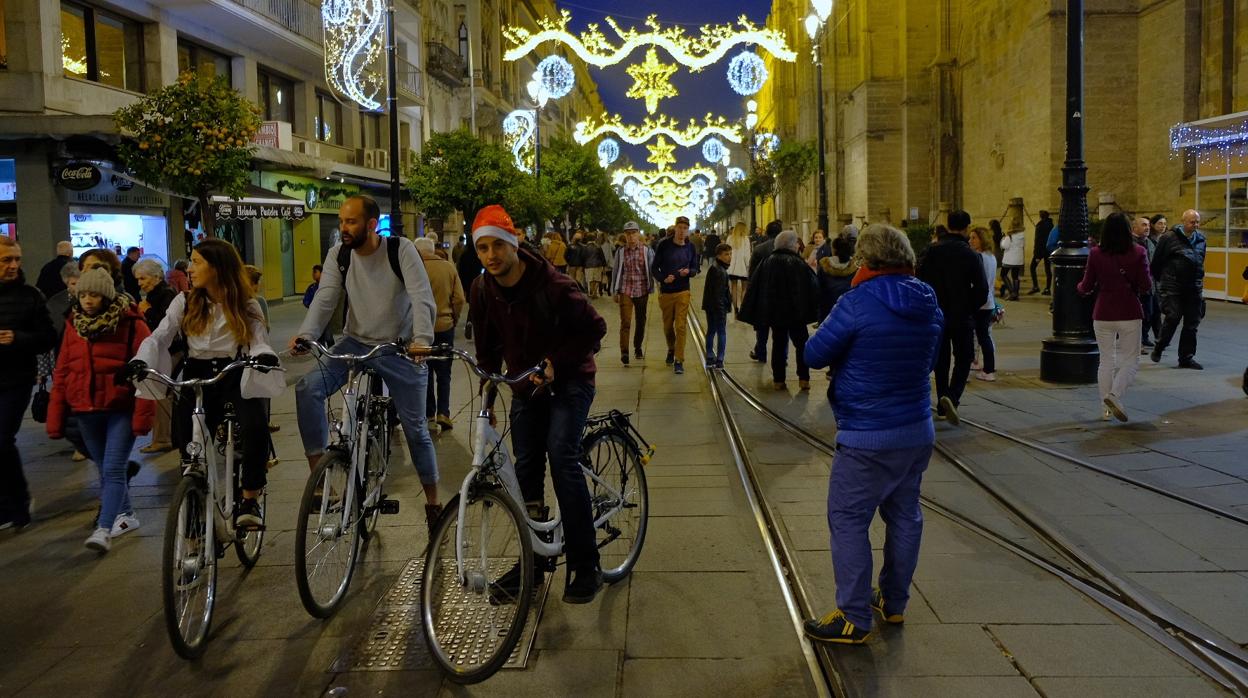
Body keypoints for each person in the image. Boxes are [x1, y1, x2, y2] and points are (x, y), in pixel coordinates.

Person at [801, 224, 943, 645]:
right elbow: (931, 361)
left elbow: (813, 354)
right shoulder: (928, 302)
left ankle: (853, 616)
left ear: (865, 261)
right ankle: (894, 602)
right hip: (916, 429)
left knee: (847, 519)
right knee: (905, 515)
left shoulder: (856, 302)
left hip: (867, 434)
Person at [461, 204, 608, 604]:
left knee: (561, 456)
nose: (491, 256)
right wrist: (487, 392)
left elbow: (595, 329)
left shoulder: (554, 285)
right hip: (526, 387)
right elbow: (489, 348)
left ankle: (586, 563)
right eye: (482, 249)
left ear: (514, 243)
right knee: (525, 468)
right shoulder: (481, 289)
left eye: (497, 246)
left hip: (572, 379)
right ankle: (534, 562)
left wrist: (555, 364)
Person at [291, 195, 441, 531]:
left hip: (400, 348)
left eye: (351, 222)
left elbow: (421, 297)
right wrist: (307, 334)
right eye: (342, 221)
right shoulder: (339, 254)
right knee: (308, 388)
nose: (344, 228)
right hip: (355, 342)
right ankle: (320, 476)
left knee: (417, 430)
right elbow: (326, 295)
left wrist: (422, 341)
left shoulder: (400, 250)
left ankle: (433, 502)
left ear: (371, 225)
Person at [133, 239, 280, 529]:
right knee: (189, 444)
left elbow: (258, 339)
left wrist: (263, 357)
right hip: (196, 375)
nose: (190, 268)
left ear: (218, 267)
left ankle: (250, 497)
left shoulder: (245, 302)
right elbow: (161, 335)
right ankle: (193, 503)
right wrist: (141, 359)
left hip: (235, 372)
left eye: (197, 261)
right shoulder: (184, 301)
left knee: (255, 427)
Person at [48, 268, 153, 552]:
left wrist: (144, 415)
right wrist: (55, 414)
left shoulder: (131, 322)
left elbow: (147, 369)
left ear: (106, 295)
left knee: (114, 468)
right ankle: (128, 515)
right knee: (104, 469)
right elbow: (63, 370)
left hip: (120, 408)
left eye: (94, 294)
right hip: (84, 409)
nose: (88, 300)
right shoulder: (74, 324)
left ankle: (104, 529)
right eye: (83, 294)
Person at [0, 236, 58, 530]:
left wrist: (17, 338)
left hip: (16, 379)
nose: (13, 265)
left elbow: (48, 337)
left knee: (2, 439)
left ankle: (17, 505)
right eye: (6, 260)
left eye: (16, 259)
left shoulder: (30, 295)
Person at [1077, 212, 1151, 422]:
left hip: (1103, 313)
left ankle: (1105, 409)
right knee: (1131, 359)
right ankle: (1115, 395)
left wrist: (1079, 287)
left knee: (1106, 360)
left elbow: (1086, 286)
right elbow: (1146, 285)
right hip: (1129, 311)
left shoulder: (1096, 253)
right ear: (1128, 230)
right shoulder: (1138, 252)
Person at [916, 210, 987, 425]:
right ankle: (952, 397)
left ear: (947, 226)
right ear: (966, 228)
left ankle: (941, 399)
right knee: (964, 356)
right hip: (961, 314)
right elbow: (982, 289)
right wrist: (970, 308)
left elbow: (918, 279)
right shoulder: (971, 254)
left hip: (936, 312)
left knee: (942, 357)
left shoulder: (931, 251)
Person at [740, 231, 819, 390]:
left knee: (778, 344)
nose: (798, 245)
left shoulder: (767, 262)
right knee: (802, 344)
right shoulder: (798, 263)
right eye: (796, 243)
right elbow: (813, 286)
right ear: (791, 245)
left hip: (776, 314)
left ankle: (779, 380)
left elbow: (756, 286)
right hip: (797, 313)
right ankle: (804, 379)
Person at [414, 237, 465, 433]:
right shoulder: (448, 268)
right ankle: (444, 413)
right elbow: (459, 298)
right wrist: (453, 316)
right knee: (444, 373)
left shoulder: (413, 269)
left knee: (424, 371)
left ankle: (428, 413)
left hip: (420, 330)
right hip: (445, 327)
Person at [1149, 210, 1206, 369]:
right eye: (1192, 222)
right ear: (1183, 221)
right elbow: (1156, 263)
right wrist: (1165, 281)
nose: (1195, 225)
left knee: (1192, 323)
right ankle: (1160, 346)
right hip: (1172, 284)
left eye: (1197, 222)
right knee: (1173, 316)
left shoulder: (1201, 238)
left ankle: (1186, 358)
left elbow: (1200, 260)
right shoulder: (1169, 237)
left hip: (1194, 286)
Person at [133, 258, 177, 454]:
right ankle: (165, 436)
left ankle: (162, 438)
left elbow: (166, 325)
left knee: (161, 393)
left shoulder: (165, 295)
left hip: (169, 350)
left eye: (143, 278)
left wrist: (147, 310)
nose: (140, 283)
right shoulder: (154, 294)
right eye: (138, 279)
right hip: (161, 349)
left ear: (156, 277)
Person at [651, 215, 701, 375]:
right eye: (680, 228)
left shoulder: (690, 247)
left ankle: (679, 360)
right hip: (666, 292)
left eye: (685, 228)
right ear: (675, 228)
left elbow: (695, 268)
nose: (682, 231)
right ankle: (671, 349)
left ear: (688, 230)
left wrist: (689, 272)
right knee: (667, 327)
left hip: (683, 291)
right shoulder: (664, 245)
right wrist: (663, 279)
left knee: (680, 326)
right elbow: (654, 268)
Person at [609, 221, 654, 366]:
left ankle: (638, 347)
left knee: (641, 321)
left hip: (642, 290)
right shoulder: (621, 252)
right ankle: (624, 352)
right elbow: (616, 271)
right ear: (625, 235)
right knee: (626, 322)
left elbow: (652, 270)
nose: (631, 236)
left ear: (638, 234)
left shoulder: (647, 250)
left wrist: (655, 287)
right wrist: (614, 291)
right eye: (628, 233)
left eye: (633, 233)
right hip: (626, 290)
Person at [747, 220, 783, 362]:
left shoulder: (759, 249)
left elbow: (752, 274)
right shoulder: (788, 249)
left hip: (763, 292)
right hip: (781, 294)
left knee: (762, 326)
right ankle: (781, 357)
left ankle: (761, 352)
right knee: (780, 329)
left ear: (766, 233)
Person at [968, 227, 997, 382]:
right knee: (982, 335)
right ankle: (977, 362)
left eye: (974, 238)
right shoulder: (991, 256)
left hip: (980, 303)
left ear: (982, 239)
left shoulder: (979, 257)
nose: (970, 241)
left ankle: (989, 369)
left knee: (981, 336)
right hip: (988, 302)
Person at [702, 243, 732, 369]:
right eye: (726, 254)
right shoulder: (720, 271)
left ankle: (709, 356)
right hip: (718, 308)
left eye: (730, 254)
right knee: (721, 332)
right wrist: (722, 310)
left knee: (711, 331)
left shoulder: (715, 267)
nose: (729, 257)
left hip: (710, 306)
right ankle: (719, 359)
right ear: (719, 256)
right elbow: (719, 294)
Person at [817, 233, 858, 321]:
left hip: (828, 309)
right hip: (849, 310)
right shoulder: (855, 267)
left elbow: (819, 290)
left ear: (834, 249)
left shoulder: (824, 266)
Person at [1132, 217, 1158, 349]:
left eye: (1148, 225)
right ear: (1134, 227)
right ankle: (1138, 341)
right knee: (1138, 314)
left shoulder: (1150, 242)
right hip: (1136, 286)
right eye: (1143, 225)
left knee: (1149, 312)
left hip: (1149, 284)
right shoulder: (1131, 243)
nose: (1147, 227)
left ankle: (1144, 337)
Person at [1146, 214, 1167, 341]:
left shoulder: (1165, 239)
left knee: (1157, 308)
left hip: (1161, 278)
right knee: (1152, 309)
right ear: (1153, 225)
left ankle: (1159, 336)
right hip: (1152, 278)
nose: (1163, 226)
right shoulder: (1148, 241)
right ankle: (1147, 336)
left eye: (1164, 224)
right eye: (1160, 223)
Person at [725, 222, 751, 314]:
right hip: (743, 267)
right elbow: (746, 255)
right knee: (744, 288)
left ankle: (735, 309)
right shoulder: (745, 239)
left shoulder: (730, 238)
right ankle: (742, 310)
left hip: (732, 268)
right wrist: (749, 266)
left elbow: (727, 253)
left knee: (734, 288)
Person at [1029, 210, 1054, 295]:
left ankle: (1036, 286)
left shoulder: (1040, 226)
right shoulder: (1051, 225)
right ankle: (1047, 288)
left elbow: (1038, 241)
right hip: (1048, 250)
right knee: (1048, 270)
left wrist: (1036, 255)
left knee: (1032, 267)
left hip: (1040, 251)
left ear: (1041, 216)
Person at [999, 224, 1025, 301]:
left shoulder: (1009, 236)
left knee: (1003, 274)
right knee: (1015, 276)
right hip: (1018, 259)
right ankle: (1016, 294)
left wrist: (1003, 239)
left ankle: (1012, 293)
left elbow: (1005, 246)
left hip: (1009, 259)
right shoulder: (1022, 236)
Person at [583, 234, 607, 298]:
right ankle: (595, 292)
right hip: (598, 265)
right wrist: (604, 266)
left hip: (588, 265)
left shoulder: (585, 247)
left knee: (590, 280)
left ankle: (592, 291)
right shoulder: (598, 247)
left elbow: (583, 257)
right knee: (597, 279)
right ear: (594, 239)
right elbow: (602, 257)